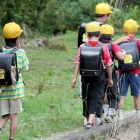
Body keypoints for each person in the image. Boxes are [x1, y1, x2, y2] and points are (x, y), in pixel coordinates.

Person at [71, 22, 113, 129]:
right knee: (96, 96)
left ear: (86, 34)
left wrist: (75, 77)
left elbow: (77, 62)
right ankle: (90, 121)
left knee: (86, 96)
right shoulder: (103, 47)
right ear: (100, 34)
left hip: (85, 76)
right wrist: (110, 78)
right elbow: (108, 64)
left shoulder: (82, 46)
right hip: (99, 76)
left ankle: (87, 118)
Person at [0, 22, 29, 140]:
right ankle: (12, 139)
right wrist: (20, 48)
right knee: (14, 116)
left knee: (5, 114)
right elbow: (26, 67)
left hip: (3, 91)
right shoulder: (20, 53)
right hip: (16, 91)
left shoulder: (0, 51)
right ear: (18, 38)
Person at [98, 24, 126, 123]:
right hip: (112, 75)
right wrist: (124, 52)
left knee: (100, 94)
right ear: (111, 36)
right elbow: (121, 57)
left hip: (99, 74)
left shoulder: (97, 45)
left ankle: (98, 116)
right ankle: (110, 114)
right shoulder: (112, 45)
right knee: (113, 95)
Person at [118, 19, 140, 120]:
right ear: (135, 31)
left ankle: (120, 115)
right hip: (135, 72)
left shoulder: (120, 42)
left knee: (122, 94)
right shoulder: (138, 42)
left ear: (123, 30)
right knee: (136, 94)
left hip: (122, 72)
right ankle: (138, 114)